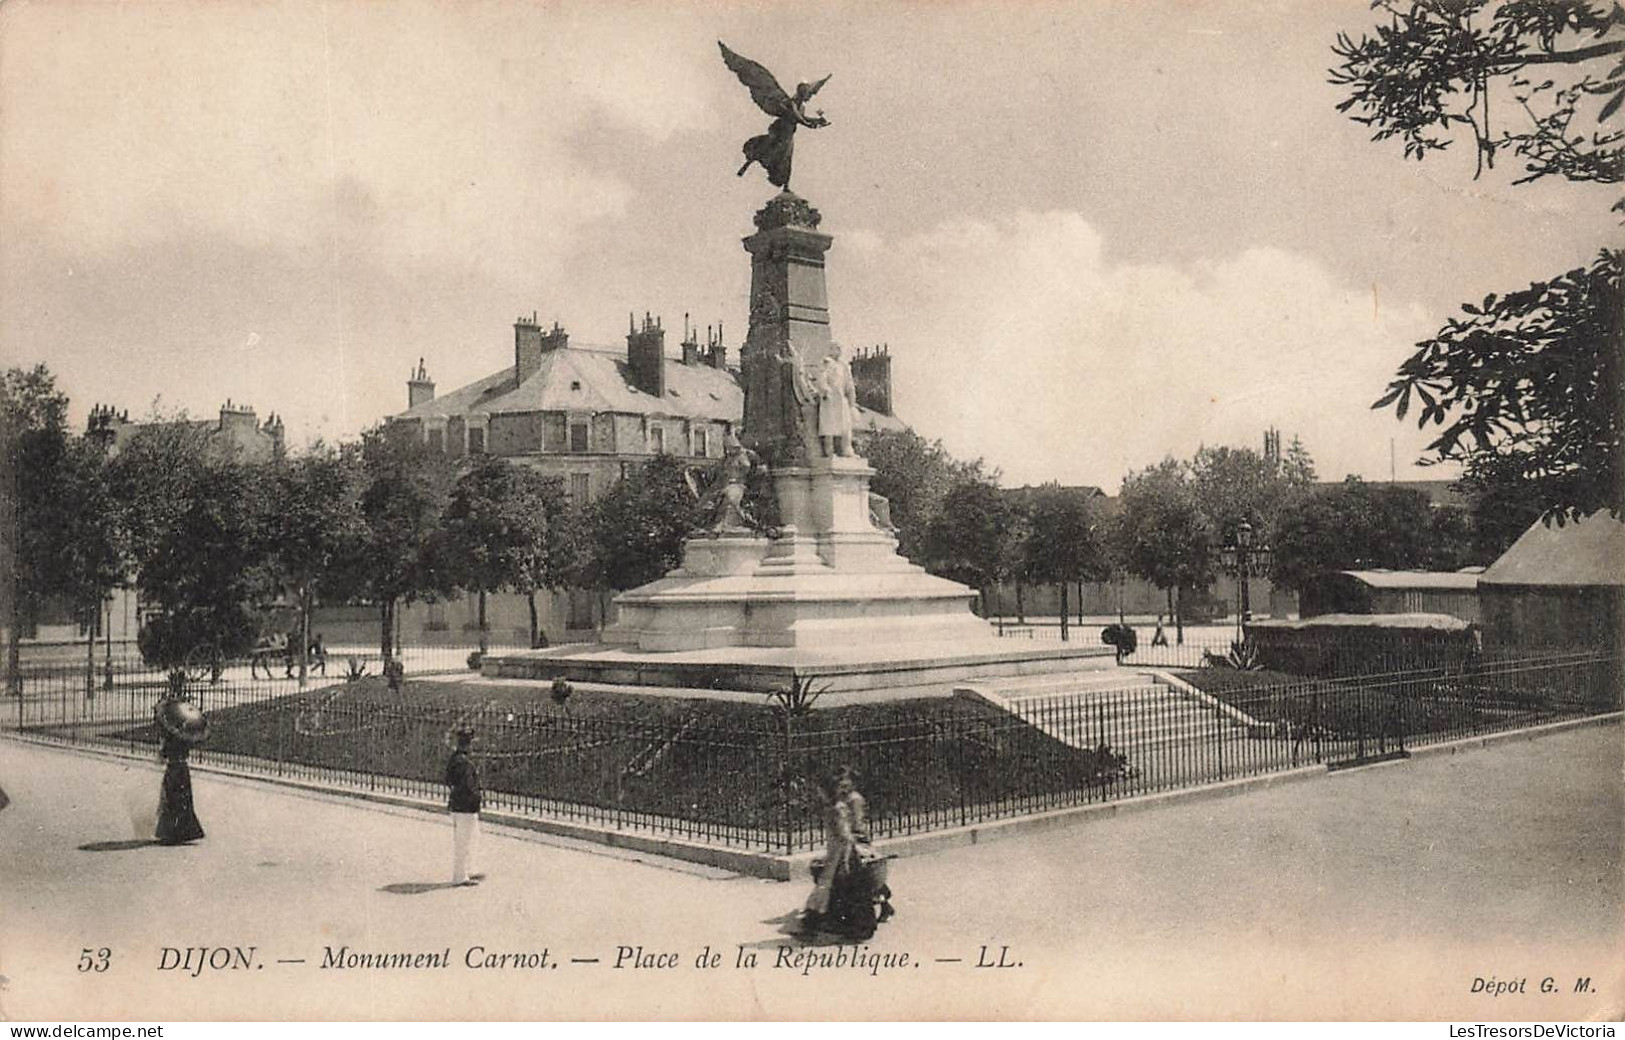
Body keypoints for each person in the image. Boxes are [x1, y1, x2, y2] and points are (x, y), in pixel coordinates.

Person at [799, 772, 875, 940]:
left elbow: (845, 836)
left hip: (841, 853)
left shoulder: (837, 808)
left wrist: (844, 859)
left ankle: (817, 923)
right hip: (839, 853)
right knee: (833, 887)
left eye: (821, 792)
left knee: (831, 886)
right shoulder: (834, 807)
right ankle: (828, 921)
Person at [837, 766, 894, 924]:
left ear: (852, 782)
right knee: (861, 875)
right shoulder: (844, 798)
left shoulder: (854, 799)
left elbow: (857, 823)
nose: (842, 784)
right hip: (849, 840)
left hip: (857, 841)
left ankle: (884, 904)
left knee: (864, 873)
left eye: (844, 780)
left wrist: (853, 838)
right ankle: (883, 905)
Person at [445, 727, 483, 886]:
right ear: (468, 745)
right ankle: (460, 876)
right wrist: (476, 799)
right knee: (464, 842)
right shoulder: (465, 763)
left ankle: (468, 870)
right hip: (465, 807)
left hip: (456, 805)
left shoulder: (455, 759)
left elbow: (448, 780)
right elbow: (468, 786)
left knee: (471, 838)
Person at [155, 729, 205, 845]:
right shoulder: (185, 735)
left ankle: (170, 833)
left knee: (171, 800)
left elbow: (162, 757)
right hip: (183, 769)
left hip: (173, 769)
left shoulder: (169, 736)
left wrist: (162, 746)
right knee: (183, 801)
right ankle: (185, 832)